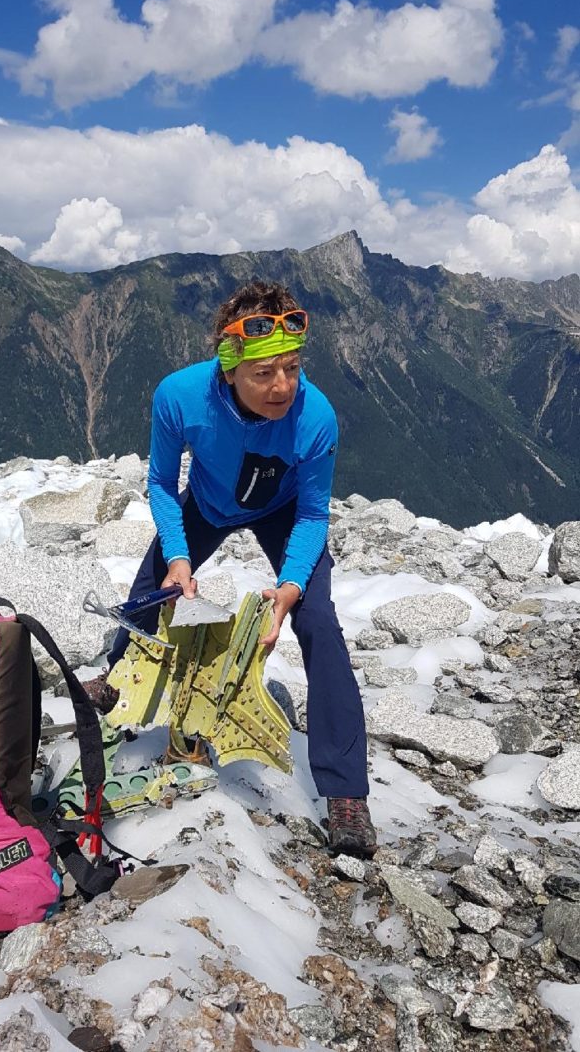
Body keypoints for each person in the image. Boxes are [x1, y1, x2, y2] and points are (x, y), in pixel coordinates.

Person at [85, 280, 376, 858]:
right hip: (209, 503)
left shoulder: (315, 416)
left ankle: (346, 793)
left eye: (291, 368)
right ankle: (115, 681)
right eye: (264, 373)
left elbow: (316, 511)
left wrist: (291, 587)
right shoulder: (179, 396)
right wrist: (177, 558)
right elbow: (163, 486)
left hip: (284, 510)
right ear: (229, 367)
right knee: (153, 593)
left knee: (318, 621)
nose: (282, 386)